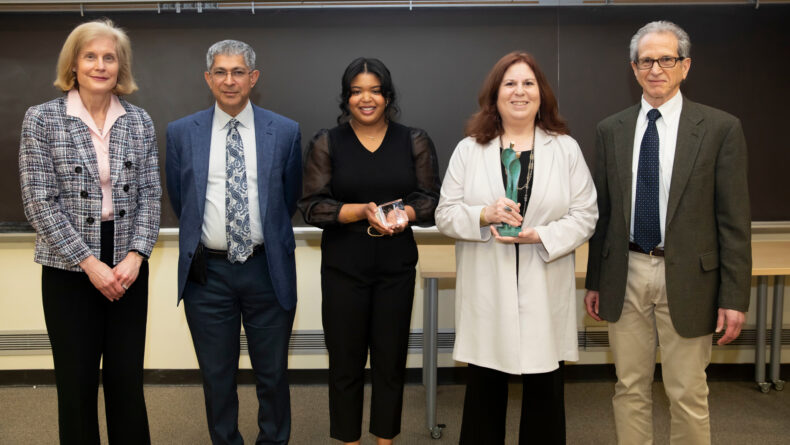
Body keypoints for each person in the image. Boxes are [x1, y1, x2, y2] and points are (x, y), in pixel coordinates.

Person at [584, 20, 751, 445]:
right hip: (626, 272)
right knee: (629, 388)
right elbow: (604, 215)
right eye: (646, 61)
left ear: (685, 66)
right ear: (634, 68)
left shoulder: (719, 128)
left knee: (688, 392)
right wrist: (596, 281)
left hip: (691, 279)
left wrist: (733, 297)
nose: (656, 68)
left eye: (666, 59)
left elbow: (734, 221)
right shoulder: (611, 130)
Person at [435, 51, 598, 444]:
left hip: (544, 285)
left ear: (541, 94)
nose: (519, 92)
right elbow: (445, 214)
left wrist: (541, 235)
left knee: (545, 394)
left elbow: (586, 214)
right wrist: (483, 215)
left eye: (528, 83)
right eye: (510, 83)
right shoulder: (469, 149)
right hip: (487, 288)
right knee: (483, 394)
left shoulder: (565, 149)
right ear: (495, 95)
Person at [18, 19, 160, 445]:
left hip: (129, 263)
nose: (101, 65)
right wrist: (90, 264)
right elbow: (38, 202)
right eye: (90, 56)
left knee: (126, 381)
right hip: (68, 264)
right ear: (74, 64)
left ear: (121, 66)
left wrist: (136, 256)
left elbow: (152, 195)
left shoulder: (139, 120)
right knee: (76, 384)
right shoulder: (43, 119)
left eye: (109, 57)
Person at [165, 40, 302, 445]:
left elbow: (288, 197)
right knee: (216, 375)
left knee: (273, 373)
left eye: (238, 72)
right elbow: (180, 196)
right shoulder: (180, 132)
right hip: (208, 275)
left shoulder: (286, 131)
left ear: (253, 78)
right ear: (208, 78)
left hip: (267, 268)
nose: (230, 80)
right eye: (221, 72)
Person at [298, 57, 440, 445]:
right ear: (346, 98)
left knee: (390, 363)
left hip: (396, 268)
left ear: (387, 95)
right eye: (357, 91)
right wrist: (361, 211)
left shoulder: (414, 140)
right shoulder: (327, 141)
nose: (366, 98)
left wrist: (403, 214)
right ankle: (349, 440)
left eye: (374, 90)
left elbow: (429, 200)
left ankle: (385, 440)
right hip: (344, 269)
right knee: (345, 364)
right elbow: (312, 205)